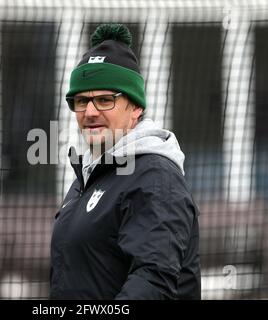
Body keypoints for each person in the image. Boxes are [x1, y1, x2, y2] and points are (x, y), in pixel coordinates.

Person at [50, 24, 201, 299]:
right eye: (81, 101)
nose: (90, 111)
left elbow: (153, 282)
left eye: (105, 100)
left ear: (136, 107)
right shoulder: (87, 178)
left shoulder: (156, 176)